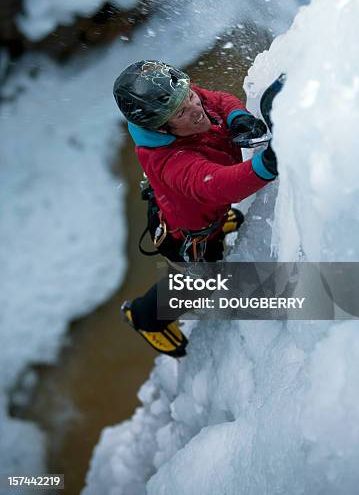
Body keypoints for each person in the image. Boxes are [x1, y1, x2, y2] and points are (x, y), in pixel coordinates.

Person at [113, 60, 278, 357]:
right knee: (197, 283)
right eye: (181, 112)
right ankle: (144, 318)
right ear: (162, 128)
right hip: (188, 239)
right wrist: (267, 165)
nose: (195, 108)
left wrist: (236, 117)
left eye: (189, 95)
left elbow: (215, 99)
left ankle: (217, 223)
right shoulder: (171, 162)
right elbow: (216, 184)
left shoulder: (177, 101)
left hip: (188, 212)